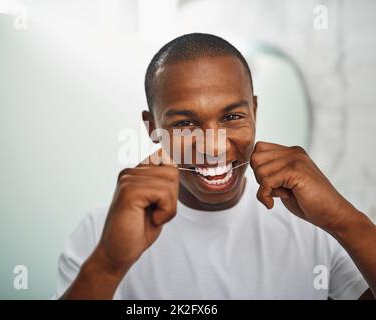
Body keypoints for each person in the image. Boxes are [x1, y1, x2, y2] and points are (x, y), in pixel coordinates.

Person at [54, 33, 376, 299]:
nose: (213, 146)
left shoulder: (317, 224)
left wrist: (344, 220)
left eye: (232, 117)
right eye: (184, 123)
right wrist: (109, 264)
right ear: (152, 126)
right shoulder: (100, 233)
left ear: (255, 110)